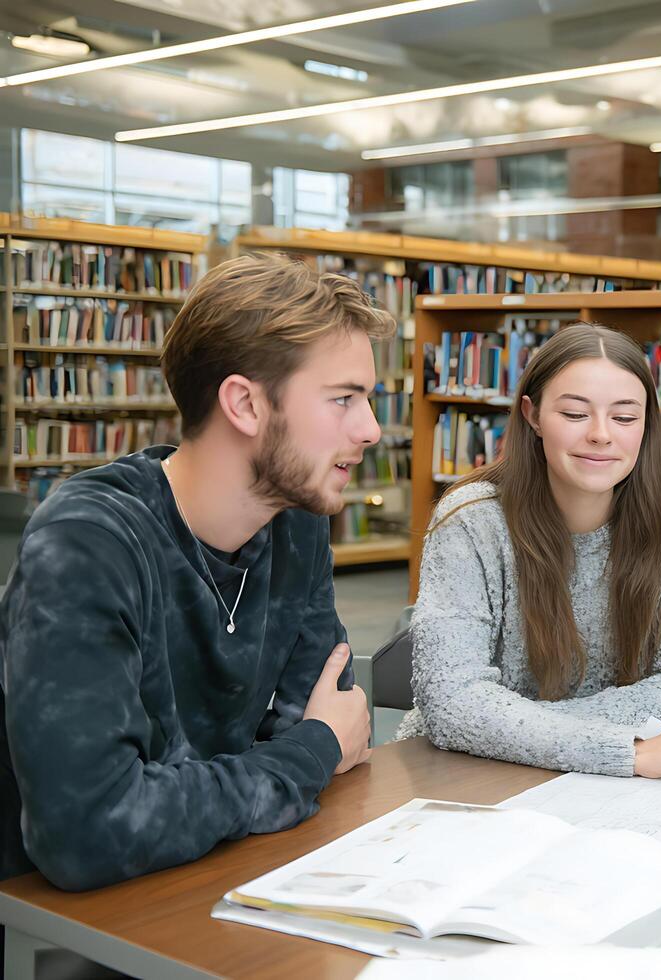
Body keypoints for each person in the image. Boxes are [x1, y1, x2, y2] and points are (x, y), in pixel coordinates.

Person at [0, 252, 386, 891]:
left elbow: (331, 724)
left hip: (220, 878)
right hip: (68, 919)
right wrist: (308, 751)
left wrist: (302, 749)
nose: (370, 429)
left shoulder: (297, 520)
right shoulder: (88, 543)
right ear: (244, 404)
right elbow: (91, 831)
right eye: (343, 398)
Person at [398, 324, 661, 777]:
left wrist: (514, 724)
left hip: (592, 784)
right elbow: (452, 701)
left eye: (625, 417)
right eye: (575, 414)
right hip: (467, 774)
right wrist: (625, 751)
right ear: (532, 416)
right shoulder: (471, 521)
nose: (601, 434)